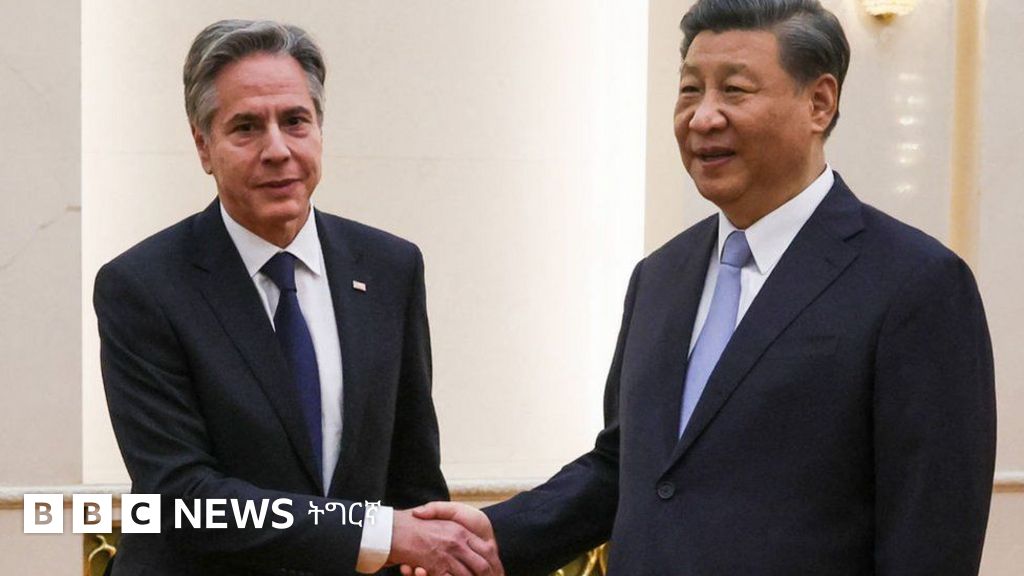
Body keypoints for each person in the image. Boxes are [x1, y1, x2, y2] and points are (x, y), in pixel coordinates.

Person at [407, 1, 997, 574]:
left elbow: (931, 534)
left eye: (734, 90)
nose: (702, 117)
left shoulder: (915, 284)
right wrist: (497, 534)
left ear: (819, 103)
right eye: (690, 90)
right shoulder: (660, 276)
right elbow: (627, 467)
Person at [95, 20, 500, 576]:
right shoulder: (142, 286)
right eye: (246, 127)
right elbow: (182, 496)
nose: (278, 149)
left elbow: (412, 476)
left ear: (320, 130)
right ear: (203, 145)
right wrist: (380, 534)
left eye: (295, 121)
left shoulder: (389, 268)